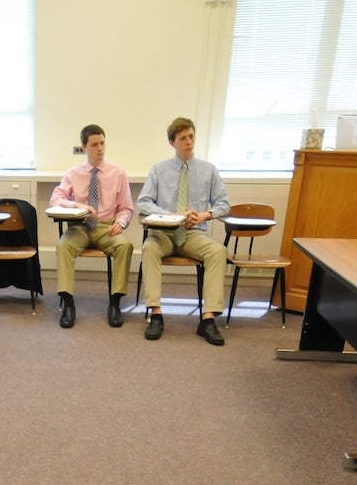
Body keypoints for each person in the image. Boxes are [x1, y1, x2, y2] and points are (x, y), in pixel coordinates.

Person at [136, 117, 229, 345]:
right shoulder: (159, 170)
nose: (189, 142)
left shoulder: (209, 170)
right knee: (148, 249)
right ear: (172, 142)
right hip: (164, 233)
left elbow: (224, 204)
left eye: (191, 137)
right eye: (182, 138)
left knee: (217, 251)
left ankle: (207, 319)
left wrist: (204, 215)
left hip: (193, 233)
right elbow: (144, 202)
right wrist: (169, 215)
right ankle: (156, 314)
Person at [48, 125, 135, 329]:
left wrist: (120, 223)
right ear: (84, 147)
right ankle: (68, 304)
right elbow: (55, 199)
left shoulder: (118, 172)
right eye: (94, 145)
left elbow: (127, 208)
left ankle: (115, 303)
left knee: (125, 246)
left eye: (102, 143)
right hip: (80, 226)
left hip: (106, 227)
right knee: (64, 246)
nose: (100, 149)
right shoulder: (73, 174)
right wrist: (78, 204)